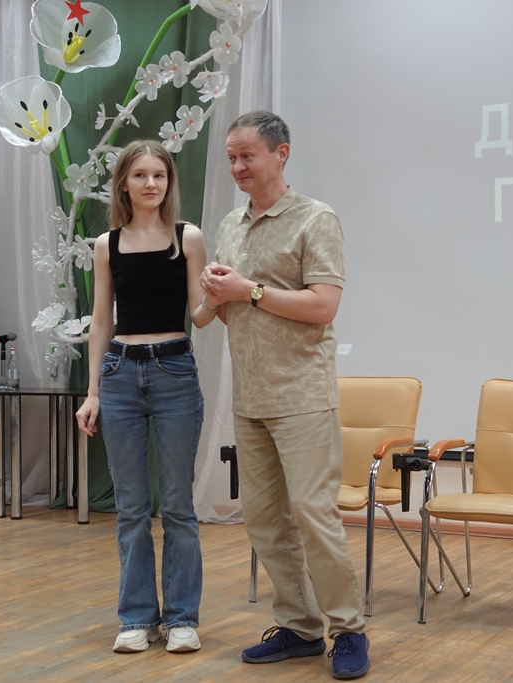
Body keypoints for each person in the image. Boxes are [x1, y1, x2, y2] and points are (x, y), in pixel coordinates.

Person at [200, 111, 370, 680]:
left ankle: (349, 630)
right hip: (250, 397)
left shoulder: (315, 219)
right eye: (231, 158)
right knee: (265, 521)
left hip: (301, 394)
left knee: (313, 516)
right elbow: (230, 313)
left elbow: (323, 305)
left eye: (247, 155)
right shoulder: (230, 225)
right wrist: (216, 297)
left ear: (281, 153)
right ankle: (299, 627)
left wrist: (248, 290)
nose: (237, 167)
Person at [75, 139, 218, 655]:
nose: (151, 183)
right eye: (140, 175)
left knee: (177, 505)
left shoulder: (188, 238)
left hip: (174, 370)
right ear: (124, 184)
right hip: (119, 374)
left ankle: (181, 618)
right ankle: (136, 617)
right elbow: (101, 321)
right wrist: (92, 392)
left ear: (169, 182)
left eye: (159, 175)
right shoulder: (106, 245)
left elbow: (199, 315)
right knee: (131, 507)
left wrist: (218, 298)